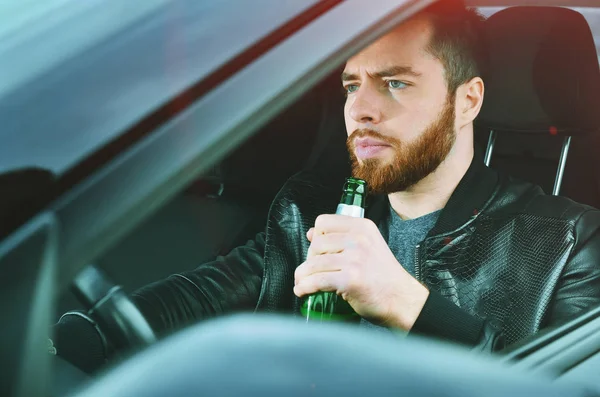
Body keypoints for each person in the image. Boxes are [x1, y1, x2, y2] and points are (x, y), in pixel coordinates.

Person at [53, 0, 600, 373]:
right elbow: (209, 290)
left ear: (468, 101)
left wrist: (407, 304)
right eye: (350, 86)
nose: (360, 109)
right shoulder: (313, 206)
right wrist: (76, 336)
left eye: (395, 84)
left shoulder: (570, 243)